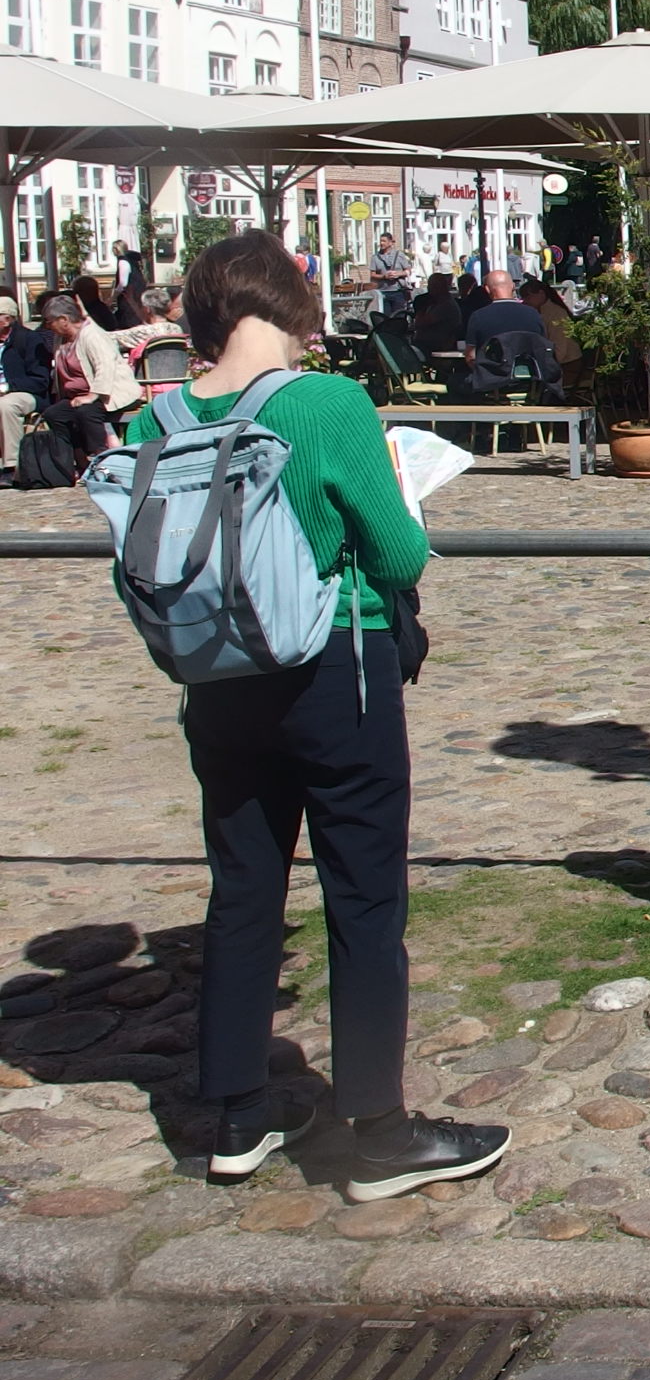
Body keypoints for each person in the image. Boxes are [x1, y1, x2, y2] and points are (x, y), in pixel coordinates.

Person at [126, 231, 507, 1200]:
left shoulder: (154, 421)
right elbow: (396, 556)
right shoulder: (328, 403)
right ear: (293, 309)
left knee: (243, 889)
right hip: (334, 671)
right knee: (364, 898)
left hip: (216, 680)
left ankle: (236, 1114)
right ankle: (376, 1129)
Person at [37, 291, 141, 458]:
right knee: (54, 414)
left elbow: (105, 366)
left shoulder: (92, 335)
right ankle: (73, 459)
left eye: (49, 322)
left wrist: (92, 395)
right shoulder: (61, 338)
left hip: (109, 393)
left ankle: (100, 457)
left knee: (86, 412)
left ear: (64, 320)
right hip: (77, 397)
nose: (47, 326)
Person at [0, 295, 50, 487]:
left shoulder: (29, 340)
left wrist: (8, 387)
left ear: (8, 319)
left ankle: (11, 467)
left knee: (6, 405)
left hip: (27, 393)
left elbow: (40, 380)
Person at [461, 271, 545, 348]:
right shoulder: (533, 314)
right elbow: (542, 345)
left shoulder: (478, 317)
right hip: (526, 363)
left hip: (492, 363)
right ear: (513, 286)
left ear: (486, 289)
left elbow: (471, 355)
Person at [411, 272, 463, 351]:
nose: (429, 288)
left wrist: (421, 309)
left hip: (436, 345)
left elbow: (421, 322)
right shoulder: (436, 303)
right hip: (427, 343)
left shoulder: (446, 305)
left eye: (432, 286)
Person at [369, 235, 413, 317]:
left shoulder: (399, 255)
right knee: (386, 317)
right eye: (380, 241)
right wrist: (384, 276)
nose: (381, 243)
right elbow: (372, 275)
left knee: (399, 317)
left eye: (384, 241)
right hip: (383, 292)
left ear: (390, 243)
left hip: (398, 291)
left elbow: (408, 271)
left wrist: (398, 274)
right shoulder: (375, 257)